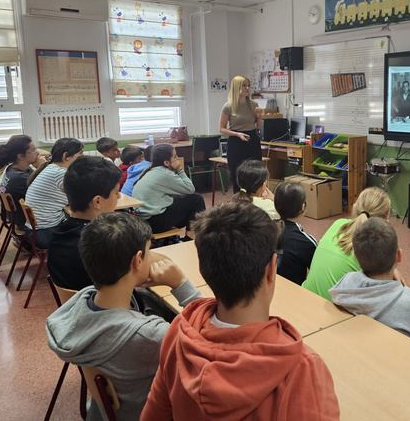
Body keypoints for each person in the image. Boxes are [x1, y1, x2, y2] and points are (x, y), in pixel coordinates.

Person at [140, 201, 340, 420]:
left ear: (203, 270)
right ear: (272, 268)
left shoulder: (180, 330)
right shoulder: (303, 368)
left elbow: (154, 413)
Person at [47, 212, 202, 421]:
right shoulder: (151, 336)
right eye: (148, 252)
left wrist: (138, 288)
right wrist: (181, 284)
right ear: (138, 260)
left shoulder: (80, 301)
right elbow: (207, 344)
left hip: (102, 414)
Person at [329, 218, 410, 357]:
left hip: (358, 351)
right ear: (398, 256)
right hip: (400, 361)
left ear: (357, 257)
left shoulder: (345, 282)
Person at [47, 156, 122, 291]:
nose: (119, 197)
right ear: (97, 201)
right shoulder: (104, 243)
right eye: (116, 192)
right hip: (108, 310)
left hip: (75, 309)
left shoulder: (58, 234)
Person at [302, 187, 390, 302]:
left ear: (355, 207)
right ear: (386, 219)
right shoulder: (376, 245)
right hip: (333, 314)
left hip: (305, 297)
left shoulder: (339, 224)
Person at [131, 143, 205, 237]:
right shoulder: (165, 174)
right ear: (166, 162)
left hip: (144, 220)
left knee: (180, 198)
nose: (177, 158)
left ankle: (188, 235)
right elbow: (190, 189)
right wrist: (180, 170)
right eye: (175, 156)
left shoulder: (150, 170)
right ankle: (190, 238)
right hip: (155, 223)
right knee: (196, 199)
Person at [24, 138, 84, 249]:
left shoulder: (51, 168)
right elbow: (79, 197)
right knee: (90, 231)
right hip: (45, 233)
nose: (83, 158)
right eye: (80, 154)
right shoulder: (60, 173)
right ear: (66, 156)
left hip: (36, 230)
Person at [0, 135, 49, 231]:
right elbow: (49, 190)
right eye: (34, 150)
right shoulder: (20, 178)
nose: (38, 153)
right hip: (26, 221)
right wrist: (42, 167)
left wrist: (45, 159)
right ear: (21, 156)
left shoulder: (13, 168)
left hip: (17, 217)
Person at [219, 75, 263, 193]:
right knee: (237, 174)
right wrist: (237, 134)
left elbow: (258, 126)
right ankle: (238, 204)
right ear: (237, 87)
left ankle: (255, 202)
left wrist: (259, 116)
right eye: (244, 85)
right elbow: (222, 129)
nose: (247, 88)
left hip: (252, 139)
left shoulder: (253, 104)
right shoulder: (228, 106)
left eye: (248, 85)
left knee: (256, 173)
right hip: (236, 141)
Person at [273, 181, 317, 285]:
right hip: (294, 293)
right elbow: (316, 271)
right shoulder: (307, 242)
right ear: (302, 207)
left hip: (266, 287)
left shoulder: (263, 228)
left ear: (276, 206)